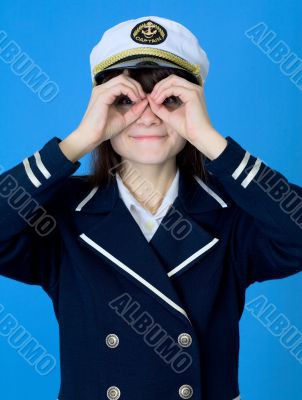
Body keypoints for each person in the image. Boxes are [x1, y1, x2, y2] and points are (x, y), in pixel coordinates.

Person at [0, 15, 301, 400]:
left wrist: (212, 141)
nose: (147, 114)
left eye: (170, 98)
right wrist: (76, 143)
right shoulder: (61, 213)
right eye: (124, 99)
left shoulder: (234, 213)